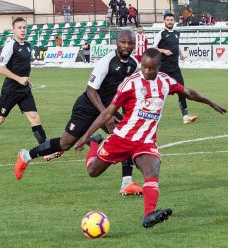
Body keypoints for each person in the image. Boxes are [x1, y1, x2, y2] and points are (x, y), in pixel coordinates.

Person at [72, 48, 227, 228]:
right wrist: (86, 137)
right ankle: (94, 143)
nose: (146, 71)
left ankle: (148, 215)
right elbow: (108, 113)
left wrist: (210, 102)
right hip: (121, 138)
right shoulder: (130, 84)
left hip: (145, 142)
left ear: (158, 67)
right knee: (93, 171)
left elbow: (189, 93)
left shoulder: (166, 82)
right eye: (144, 67)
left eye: (151, 68)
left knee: (152, 171)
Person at [14, 30, 141, 198]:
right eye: (123, 42)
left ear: (134, 44)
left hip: (106, 110)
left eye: (130, 43)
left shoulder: (133, 64)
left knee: (125, 137)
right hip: (87, 106)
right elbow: (91, 91)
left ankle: (127, 183)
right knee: (65, 144)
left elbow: (126, 92)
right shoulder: (107, 61)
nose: (126, 46)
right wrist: (107, 115)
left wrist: (125, 114)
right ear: (116, 42)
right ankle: (26, 155)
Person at [0, 17, 56, 161]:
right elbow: (1, 67)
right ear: (13, 30)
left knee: (34, 118)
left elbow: (22, 67)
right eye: (19, 27)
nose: (23, 30)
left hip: (24, 90)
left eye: (24, 27)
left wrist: (25, 80)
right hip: (11, 90)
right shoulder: (10, 45)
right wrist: (18, 78)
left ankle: (45, 150)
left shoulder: (28, 45)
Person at [154, 13, 197, 125]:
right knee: (159, 93)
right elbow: (153, 48)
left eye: (171, 20)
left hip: (175, 68)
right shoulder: (161, 34)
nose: (170, 22)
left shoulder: (177, 33)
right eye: (167, 20)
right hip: (163, 69)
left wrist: (181, 54)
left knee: (182, 91)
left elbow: (176, 45)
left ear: (174, 21)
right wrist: (163, 51)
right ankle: (151, 116)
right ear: (164, 21)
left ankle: (186, 117)